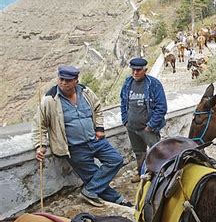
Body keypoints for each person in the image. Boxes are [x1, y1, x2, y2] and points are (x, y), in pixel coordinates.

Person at [33, 65, 132, 208]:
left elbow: (97, 108)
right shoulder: (50, 99)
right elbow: (39, 124)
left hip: (95, 140)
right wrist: (40, 145)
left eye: (68, 80)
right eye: (61, 79)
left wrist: (99, 128)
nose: (64, 83)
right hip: (74, 148)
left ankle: (90, 190)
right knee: (93, 175)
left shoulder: (85, 92)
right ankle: (118, 200)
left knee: (116, 160)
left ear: (76, 81)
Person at [120, 57, 168, 182]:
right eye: (133, 70)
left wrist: (151, 125)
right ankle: (141, 172)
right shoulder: (127, 83)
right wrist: (125, 120)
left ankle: (158, 175)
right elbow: (123, 102)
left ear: (145, 70)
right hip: (132, 127)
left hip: (148, 128)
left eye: (138, 70)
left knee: (156, 151)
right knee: (139, 152)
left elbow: (161, 107)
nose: (135, 72)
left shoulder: (153, 84)